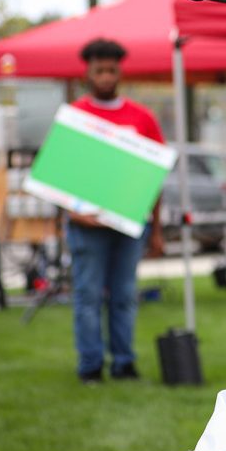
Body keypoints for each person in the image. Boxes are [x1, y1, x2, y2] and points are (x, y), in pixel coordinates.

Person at [67, 37, 165, 383]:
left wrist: (156, 228)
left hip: (129, 226)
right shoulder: (75, 117)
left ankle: (124, 363)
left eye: (112, 70)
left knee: (124, 296)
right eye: (99, 71)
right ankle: (90, 366)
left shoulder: (142, 118)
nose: (106, 77)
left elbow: (155, 177)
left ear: (119, 71)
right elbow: (57, 174)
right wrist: (73, 212)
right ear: (88, 73)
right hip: (86, 226)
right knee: (88, 297)